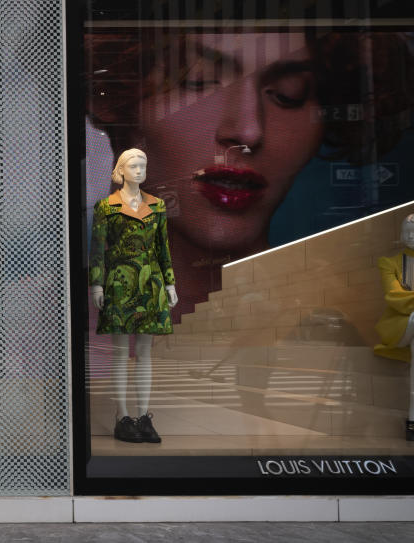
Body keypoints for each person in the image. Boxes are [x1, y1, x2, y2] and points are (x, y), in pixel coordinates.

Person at [86, 30, 414, 318]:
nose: (248, 131)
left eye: (288, 94)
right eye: (198, 79)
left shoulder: (349, 312)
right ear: (118, 97)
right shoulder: (50, 320)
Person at [90, 148, 177, 443]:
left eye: (143, 165)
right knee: (118, 354)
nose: (140, 170)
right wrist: (97, 285)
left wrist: (169, 283)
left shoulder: (158, 206)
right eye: (134, 165)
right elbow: (98, 250)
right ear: (122, 170)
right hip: (119, 284)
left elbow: (162, 248)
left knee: (144, 353)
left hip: (150, 284)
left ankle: (143, 417)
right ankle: (122, 416)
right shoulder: (106, 207)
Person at [373, 214, 414, 441]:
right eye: (407, 232)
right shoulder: (389, 263)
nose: (411, 237)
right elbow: (395, 296)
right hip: (401, 324)